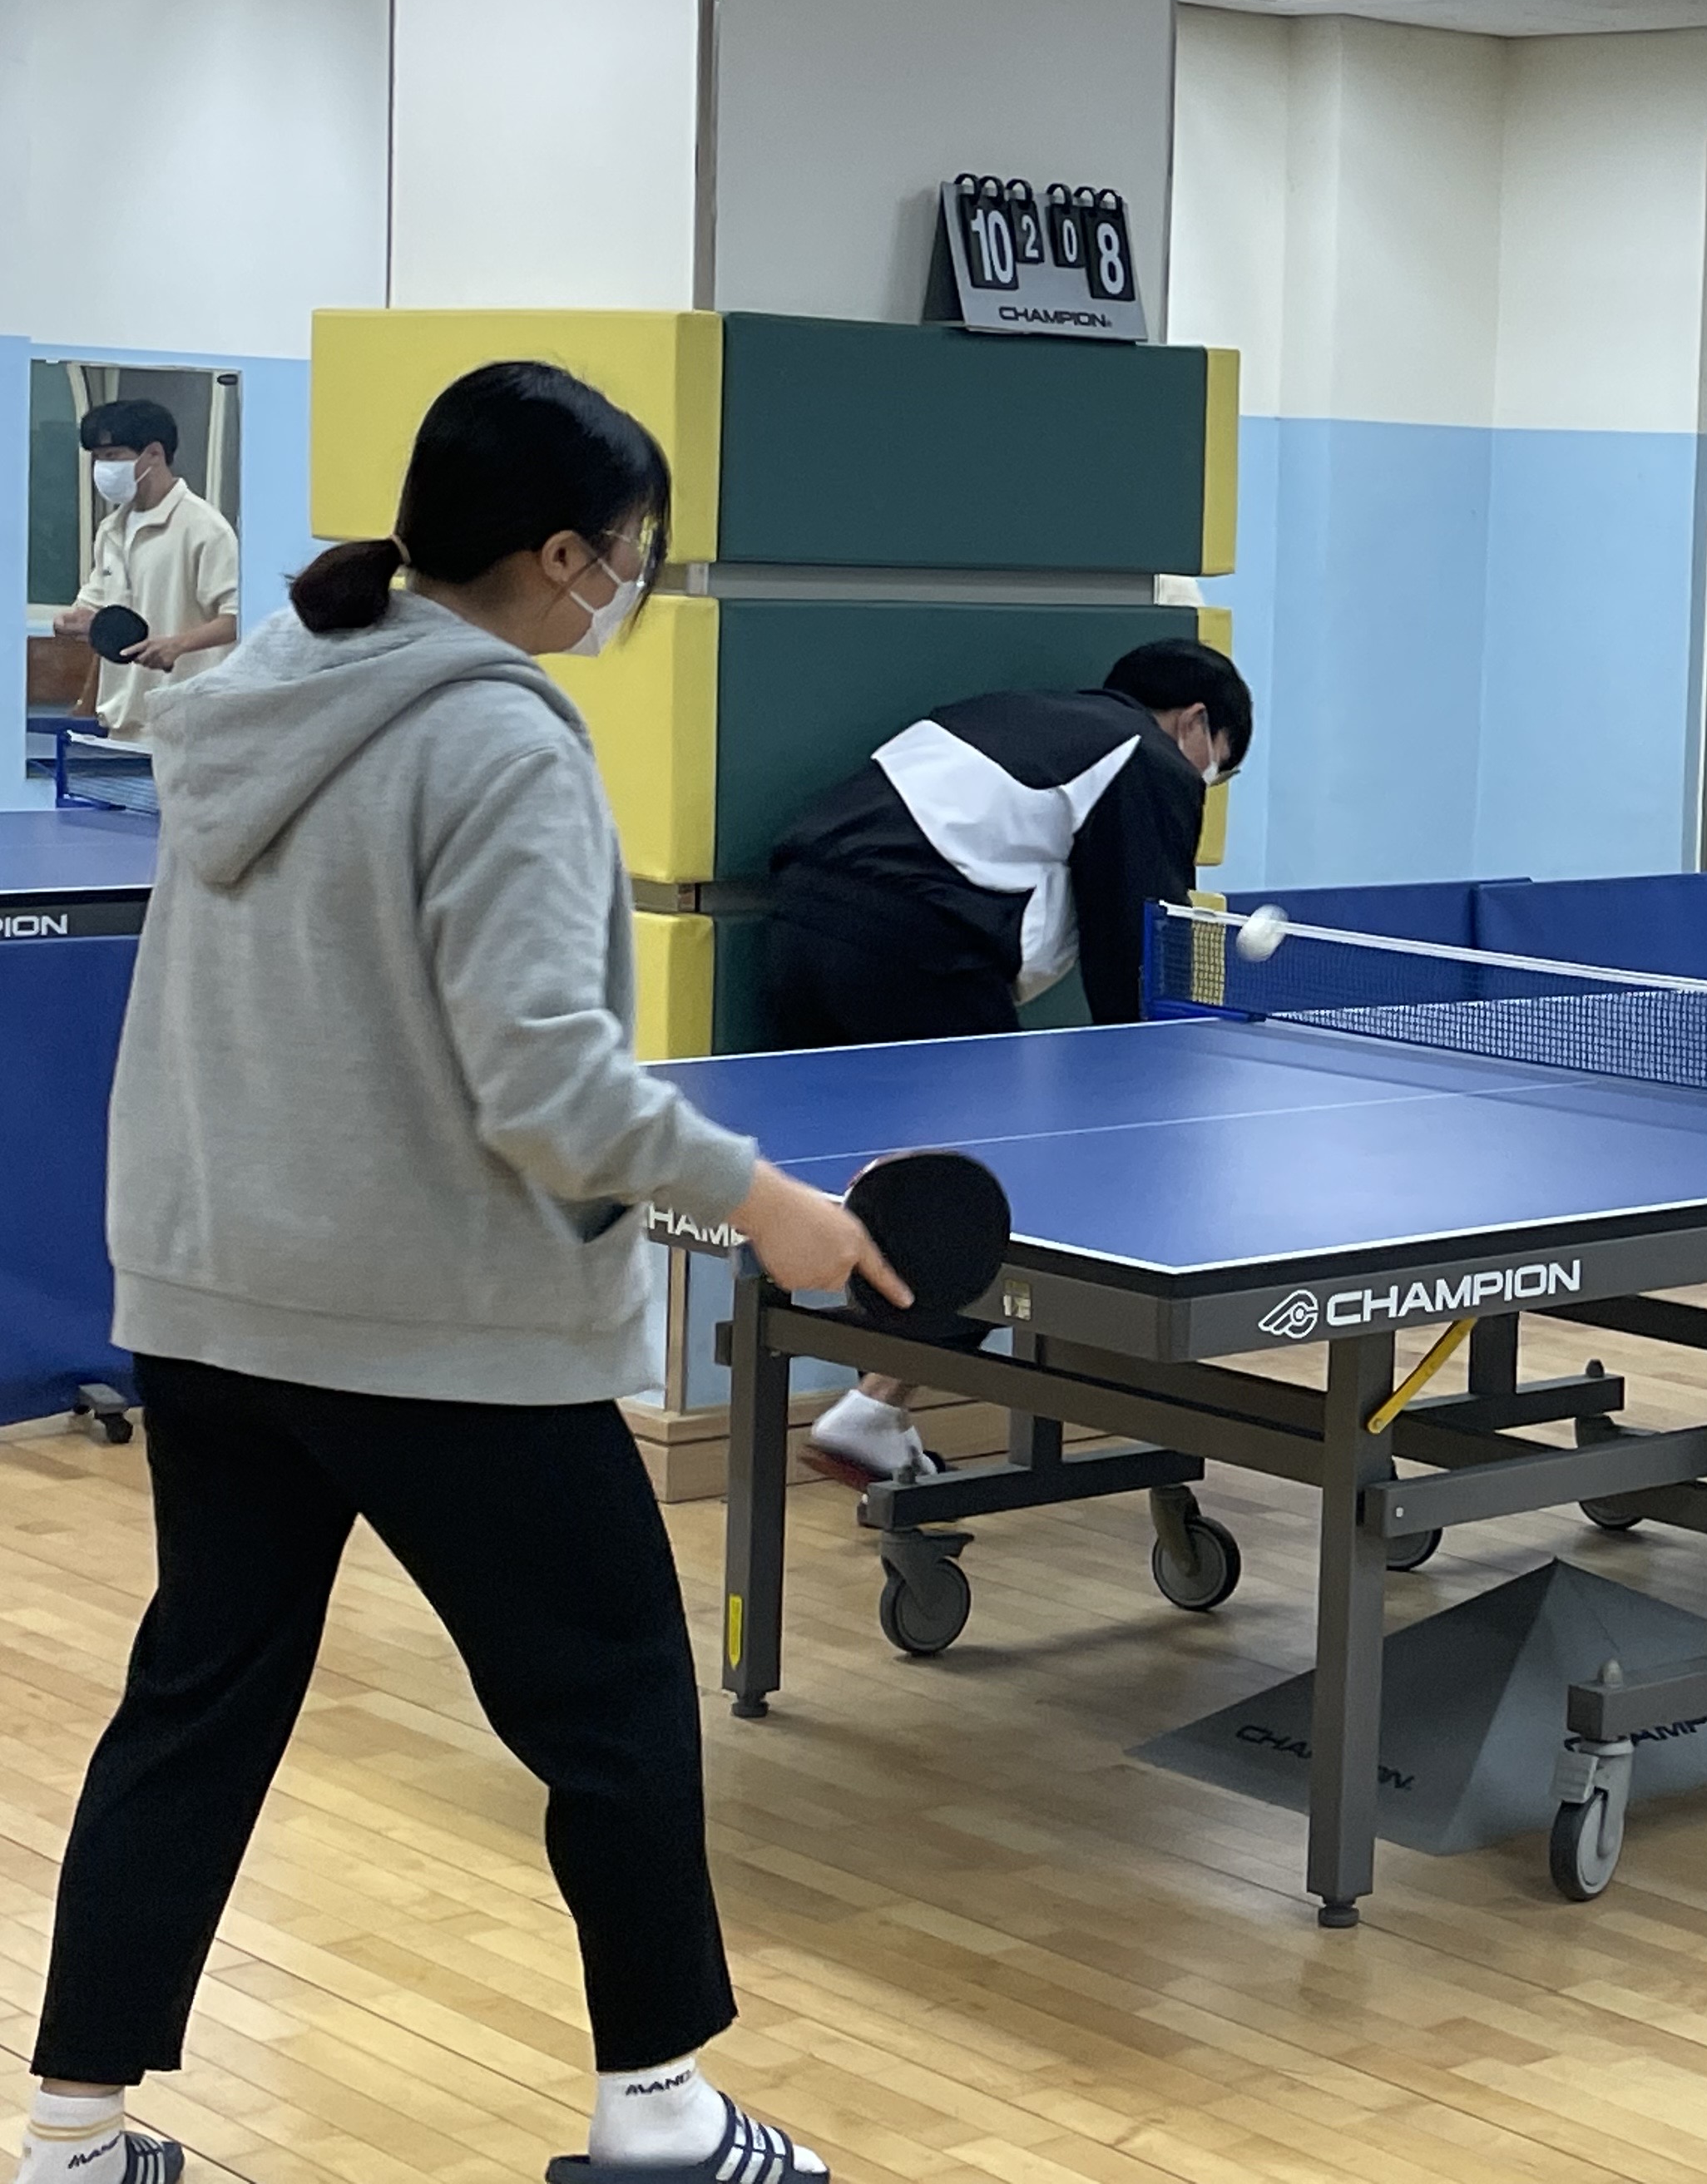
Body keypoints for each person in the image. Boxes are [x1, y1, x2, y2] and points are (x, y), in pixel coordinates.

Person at [17, 363, 901, 2184]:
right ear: (562, 552)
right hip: (434, 1330)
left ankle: (74, 2133)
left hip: (214, 1300)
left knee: (199, 1699)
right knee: (617, 1707)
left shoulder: (265, 688)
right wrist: (760, 1200)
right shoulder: (500, 743)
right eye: (629, 552)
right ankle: (658, 2115)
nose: (631, 586)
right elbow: (549, 1085)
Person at [765, 635, 1253, 1485]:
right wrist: (1166, 1079)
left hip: (796, 928)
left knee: (894, 1187)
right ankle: (874, 1408)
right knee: (999, 1194)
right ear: (1195, 723)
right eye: (1220, 766)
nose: (1204, 783)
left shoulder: (1012, 718)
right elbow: (1143, 948)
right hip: (914, 948)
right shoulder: (1147, 757)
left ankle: (875, 1403)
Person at [48, 399, 241, 741]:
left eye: (112, 456)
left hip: (187, 726)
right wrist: (75, 621)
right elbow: (95, 606)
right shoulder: (111, 530)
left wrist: (178, 645)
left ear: (154, 453)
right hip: (122, 723)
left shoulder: (205, 529)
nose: (102, 468)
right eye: (97, 458)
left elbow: (237, 618)